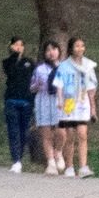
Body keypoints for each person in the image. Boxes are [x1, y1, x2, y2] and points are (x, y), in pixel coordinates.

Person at [56, 36, 95, 178]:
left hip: (83, 103)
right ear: (71, 48)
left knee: (82, 134)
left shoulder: (88, 65)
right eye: (77, 46)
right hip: (69, 103)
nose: (80, 49)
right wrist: (60, 100)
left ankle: (83, 167)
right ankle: (69, 166)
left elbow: (91, 87)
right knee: (70, 136)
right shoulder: (64, 66)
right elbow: (59, 84)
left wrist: (93, 107)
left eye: (82, 46)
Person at [0, 36, 36, 173]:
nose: (19, 47)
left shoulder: (29, 62)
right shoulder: (7, 62)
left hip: (26, 101)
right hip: (11, 101)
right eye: (16, 45)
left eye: (21, 45)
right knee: (13, 131)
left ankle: (20, 156)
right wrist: (14, 55)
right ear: (11, 46)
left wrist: (33, 99)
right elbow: (11, 73)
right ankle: (16, 160)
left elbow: (33, 80)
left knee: (23, 131)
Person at [31, 40, 64, 175]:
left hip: (59, 100)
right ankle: (50, 162)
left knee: (61, 130)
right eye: (48, 50)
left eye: (54, 49)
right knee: (46, 132)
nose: (52, 52)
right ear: (45, 53)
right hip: (44, 100)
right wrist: (37, 86)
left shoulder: (64, 67)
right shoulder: (40, 69)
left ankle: (58, 152)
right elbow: (32, 87)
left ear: (58, 51)